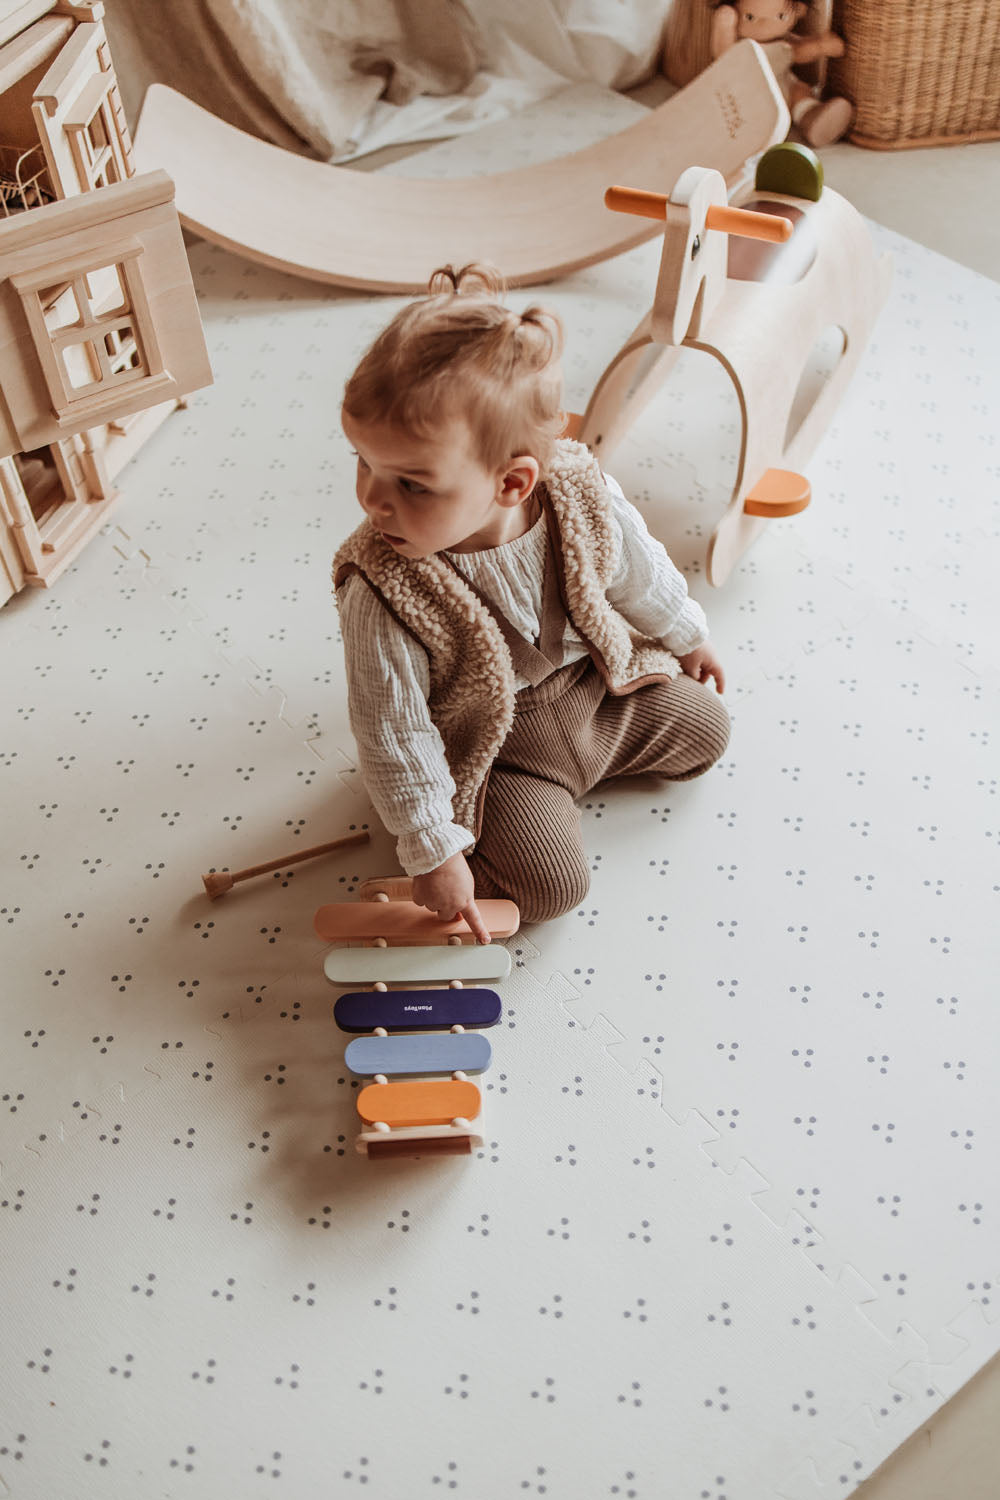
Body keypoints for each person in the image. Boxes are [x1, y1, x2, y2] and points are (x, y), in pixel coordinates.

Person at [333, 263, 730, 939]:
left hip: (596, 694)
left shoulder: (576, 490)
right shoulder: (382, 586)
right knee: (549, 888)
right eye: (364, 462)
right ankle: (515, 822)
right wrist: (434, 848)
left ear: (513, 482)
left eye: (413, 484)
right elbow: (391, 728)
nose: (374, 498)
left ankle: (577, 784)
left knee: (708, 729)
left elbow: (637, 568)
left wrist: (687, 633)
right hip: (496, 750)